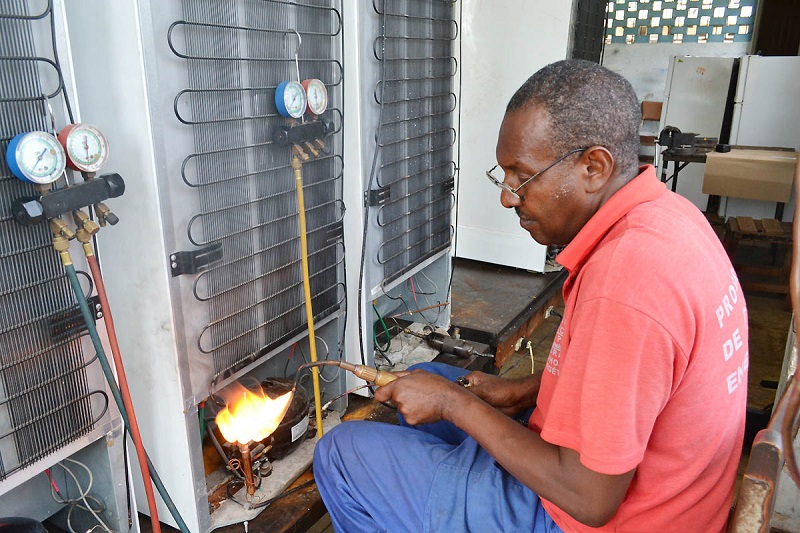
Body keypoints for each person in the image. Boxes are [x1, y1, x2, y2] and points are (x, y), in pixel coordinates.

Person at [314, 59, 748, 532]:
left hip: (591, 515)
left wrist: (455, 405)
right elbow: (638, 380)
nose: (507, 196)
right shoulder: (669, 216)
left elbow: (589, 499)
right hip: (660, 494)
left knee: (341, 453)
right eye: (503, 175)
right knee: (426, 378)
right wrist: (522, 390)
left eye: (521, 175)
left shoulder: (627, 281)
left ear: (593, 167)